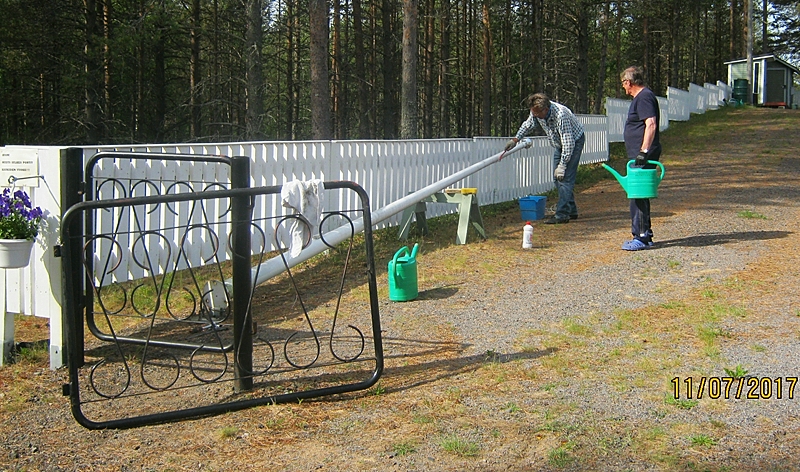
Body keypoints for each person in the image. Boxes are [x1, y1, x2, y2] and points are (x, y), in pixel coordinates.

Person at [504, 93, 585, 224]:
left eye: (537, 114)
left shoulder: (561, 115)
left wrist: (562, 165)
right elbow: (528, 125)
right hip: (559, 144)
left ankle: (562, 215)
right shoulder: (536, 111)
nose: (535, 115)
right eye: (533, 113)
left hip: (574, 142)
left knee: (565, 178)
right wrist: (515, 139)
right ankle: (571, 210)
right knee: (557, 178)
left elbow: (568, 143)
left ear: (545, 110)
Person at [620, 66, 661, 251]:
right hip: (638, 155)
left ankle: (642, 236)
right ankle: (645, 234)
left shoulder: (644, 97)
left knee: (638, 195)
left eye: (623, 83)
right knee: (638, 194)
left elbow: (650, 123)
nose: (623, 87)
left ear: (629, 82)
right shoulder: (642, 97)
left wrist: (644, 151)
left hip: (642, 155)